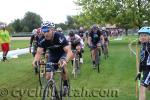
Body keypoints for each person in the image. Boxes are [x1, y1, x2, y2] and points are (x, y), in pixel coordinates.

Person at [32, 21, 73, 95]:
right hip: (53, 55)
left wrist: (65, 60)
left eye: (47, 30)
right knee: (47, 76)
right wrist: (35, 61)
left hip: (62, 53)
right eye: (43, 31)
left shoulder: (59, 36)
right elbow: (38, 53)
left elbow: (69, 51)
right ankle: (55, 93)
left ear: (53, 30)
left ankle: (65, 84)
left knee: (61, 65)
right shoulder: (42, 40)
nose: (45, 33)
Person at [135, 27, 150, 100]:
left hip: (149, 70)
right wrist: (139, 71)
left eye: (145, 35)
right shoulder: (143, 45)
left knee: (142, 88)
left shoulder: (148, 46)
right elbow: (142, 60)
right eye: (141, 35)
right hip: (145, 70)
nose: (143, 37)